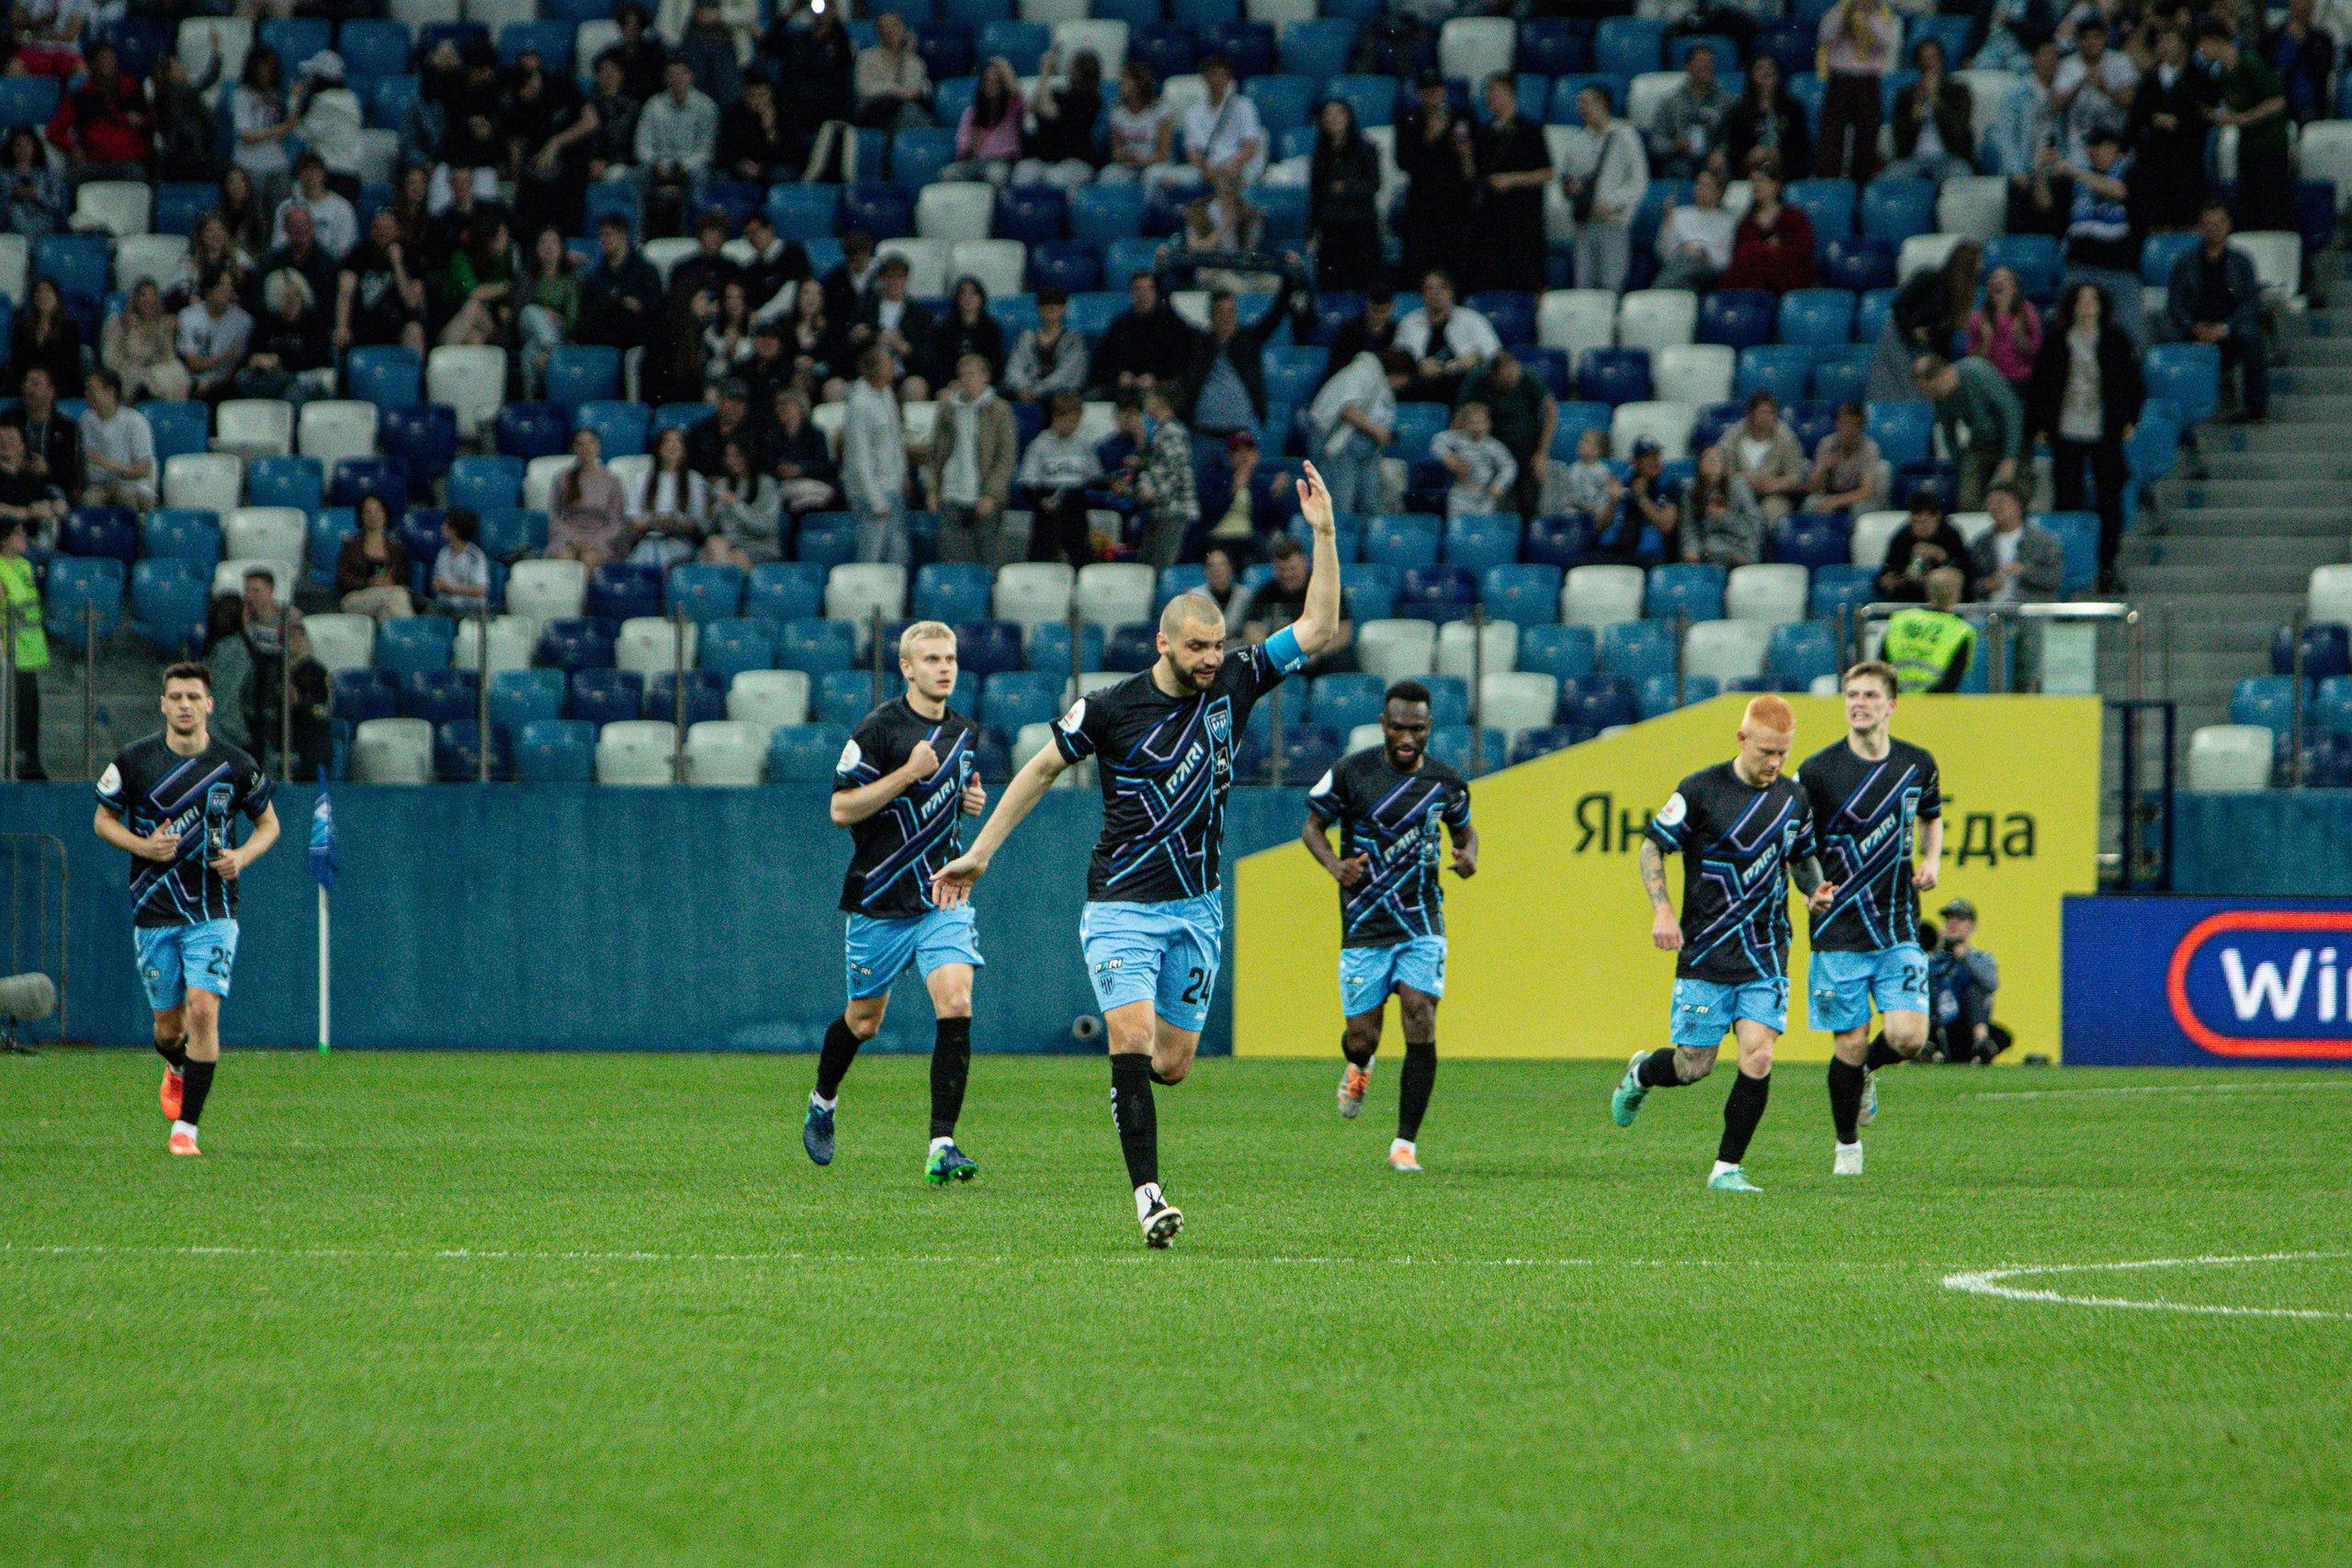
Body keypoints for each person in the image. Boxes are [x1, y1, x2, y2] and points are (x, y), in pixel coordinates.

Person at [933, 463, 1344, 1247]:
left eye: (1218, 646)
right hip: (1121, 905)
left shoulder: (1237, 681)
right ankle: (1149, 1198)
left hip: (1197, 908)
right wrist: (980, 852)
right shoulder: (1113, 706)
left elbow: (1320, 627)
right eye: (1196, 647)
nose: (1210, 659)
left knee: (1172, 1062)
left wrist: (1323, 533)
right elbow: (1041, 767)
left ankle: (1130, 1097)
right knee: (1130, 1042)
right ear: (1163, 641)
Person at [1613, 694, 1835, 1193]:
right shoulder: (1700, 791)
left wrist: (1814, 890)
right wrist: (1663, 909)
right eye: (1765, 753)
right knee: (1694, 1065)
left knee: (1758, 1055)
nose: (1775, 763)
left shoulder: (1793, 799)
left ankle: (1726, 1168)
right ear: (1742, 739)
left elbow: (1801, 857)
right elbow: (1653, 847)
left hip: (1765, 951)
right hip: (1706, 952)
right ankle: (1642, 1076)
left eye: (1783, 753)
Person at [806, 621, 989, 1183]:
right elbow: (841, 809)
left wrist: (967, 800)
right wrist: (907, 773)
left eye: (951, 657)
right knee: (863, 1022)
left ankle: (942, 1144)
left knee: (956, 1004)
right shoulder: (879, 729)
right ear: (907, 668)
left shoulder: (964, 730)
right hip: (880, 901)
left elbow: (945, 796)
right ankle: (823, 1101)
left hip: (941, 895)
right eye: (931, 658)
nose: (944, 667)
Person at [92, 661, 283, 1157]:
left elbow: (269, 825)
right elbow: (102, 819)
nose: (184, 705)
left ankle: (187, 1130)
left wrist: (242, 855)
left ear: (209, 704)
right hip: (155, 908)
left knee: (203, 1009)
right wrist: (143, 845)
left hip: (213, 909)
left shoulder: (236, 766)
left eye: (193, 697)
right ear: (162, 704)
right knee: (168, 1028)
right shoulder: (134, 761)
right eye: (175, 696)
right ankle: (175, 1065)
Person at [1303, 681, 1476, 1173]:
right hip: (1365, 922)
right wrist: (1336, 866)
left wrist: (1469, 857)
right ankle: (1359, 1067)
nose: (1406, 737)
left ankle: (1405, 1144)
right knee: (1363, 1036)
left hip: (1422, 919)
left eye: (1416, 729)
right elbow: (1312, 828)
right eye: (1397, 727)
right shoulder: (1351, 774)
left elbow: (1465, 830)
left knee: (1420, 1013)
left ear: (1428, 729)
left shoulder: (1445, 783)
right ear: (1383, 725)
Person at [1798, 660, 1944, 1178]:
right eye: (1851, 695)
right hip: (1838, 927)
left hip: (1898, 923)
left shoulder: (1917, 764)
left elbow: (1931, 815)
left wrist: (1931, 860)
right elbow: (1796, 841)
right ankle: (1847, 1148)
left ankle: (1866, 1074)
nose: (1858, 703)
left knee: (1909, 1036)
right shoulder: (1816, 772)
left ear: (1891, 704)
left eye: (1868, 695)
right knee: (1850, 1041)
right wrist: (1809, 886)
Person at [2029, 280, 2144, 590]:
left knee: (2110, 499)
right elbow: (2039, 386)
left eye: (2093, 298)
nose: (2087, 304)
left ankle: (2107, 564)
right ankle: (2067, 564)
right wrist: (2040, 424)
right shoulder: (2056, 342)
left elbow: (2134, 383)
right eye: (2081, 299)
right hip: (2067, 431)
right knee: (2067, 498)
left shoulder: (2117, 340)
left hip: (2105, 431)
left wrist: (2131, 418)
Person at [2167, 201, 2267, 423]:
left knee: (2251, 335)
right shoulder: (2185, 263)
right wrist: (2194, 327)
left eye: (2220, 223)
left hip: (2231, 329)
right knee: (2167, 339)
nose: (2215, 228)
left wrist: (2224, 328)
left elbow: (2251, 304)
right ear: (2201, 228)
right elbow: (2174, 305)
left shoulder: (2241, 262)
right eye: (2209, 224)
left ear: (2229, 225)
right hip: (2195, 328)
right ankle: (2175, 414)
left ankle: (2256, 407)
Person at [2047, 130, 2143, 342]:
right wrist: (2041, 171)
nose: (2093, 151)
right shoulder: (2076, 181)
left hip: (2120, 273)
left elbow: (2119, 191)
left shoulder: (2132, 173)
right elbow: (2045, 205)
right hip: (2079, 269)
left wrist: (2075, 173)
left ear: (2115, 149)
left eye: (2100, 145)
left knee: (2130, 339)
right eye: (2091, 146)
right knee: (2065, 336)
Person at [927, 354, 1019, 567]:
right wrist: (932, 489)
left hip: (984, 495)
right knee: (950, 559)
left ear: (985, 376)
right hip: (951, 492)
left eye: (971, 374)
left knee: (986, 559)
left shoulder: (1000, 411)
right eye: (962, 375)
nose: (966, 380)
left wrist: (992, 494)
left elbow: (1006, 458)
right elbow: (935, 455)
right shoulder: (947, 410)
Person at [1559, 84, 1647, 294]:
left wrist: (1614, 202)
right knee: (1583, 285)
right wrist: (1571, 189)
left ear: (1603, 104)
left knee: (1611, 285)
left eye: (1586, 103)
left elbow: (1639, 180)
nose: (1582, 108)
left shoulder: (1625, 135)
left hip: (1613, 222)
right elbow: (1566, 181)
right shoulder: (1577, 142)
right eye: (1580, 103)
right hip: (1585, 222)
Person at [1394, 69, 1476, 288]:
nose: (1433, 94)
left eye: (1437, 89)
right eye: (1427, 90)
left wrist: (1466, 154)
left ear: (1444, 91)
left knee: (1457, 267)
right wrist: (1430, 136)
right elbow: (1403, 162)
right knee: (1420, 267)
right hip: (1423, 207)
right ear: (1420, 93)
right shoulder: (1409, 120)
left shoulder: (1463, 117)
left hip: (1456, 205)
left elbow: (1475, 164)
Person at [2126, 25, 2212, 233]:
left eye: (2170, 41)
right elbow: (2137, 116)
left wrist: (2179, 123)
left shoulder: (2199, 79)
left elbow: (2205, 115)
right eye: (2162, 41)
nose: (2164, 46)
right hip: (2155, 157)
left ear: (2183, 46)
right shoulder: (2151, 78)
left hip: (2186, 157)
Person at [1306, 345, 1409, 517]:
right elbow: (1348, 409)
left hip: (1365, 448)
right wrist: (1378, 432)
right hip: (1337, 447)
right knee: (1341, 507)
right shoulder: (1362, 371)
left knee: (1371, 504)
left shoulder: (1380, 382)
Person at [1871, 241, 1978, 400]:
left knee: (1924, 391)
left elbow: (1945, 336)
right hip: (1900, 336)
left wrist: (1941, 365)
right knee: (1895, 389)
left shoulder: (1963, 297)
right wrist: (1912, 331)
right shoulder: (1928, 277)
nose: (1981, 267)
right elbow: (1898, 306)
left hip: (1926, 347)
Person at [1914, 352, 2024, 509]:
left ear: (1942, 375)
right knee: (1967, 500)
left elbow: (2012, 412)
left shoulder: (1977, 372)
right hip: (1980, 443)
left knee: (2010, 497)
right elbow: (1949, 433)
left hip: (2011, 438)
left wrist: (2010, 459)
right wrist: (1960, 467)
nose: (1932, 396)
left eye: (1933, 390)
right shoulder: (1940, 398)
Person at [1476, 73, 1552, 293]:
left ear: (1510, 93)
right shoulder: (1485, 132)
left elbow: (1546, 173)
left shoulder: (1530, 129)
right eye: (1487, 92)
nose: (1489, 97)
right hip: (1492, 219)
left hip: (1524, 220)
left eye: (1495, 91)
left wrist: (1513, 180)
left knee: (1528, 277)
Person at [1459, 349, 1556, 519]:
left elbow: (1551, 411)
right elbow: (1461, 414)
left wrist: (1542, 453)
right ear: (1493, 376)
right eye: (1506, 379)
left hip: (1525, 440)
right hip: (1489, 442)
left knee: (1528, 497)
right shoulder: (1477, 379)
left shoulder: (1530, 377)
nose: (1513, 380)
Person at [1114, 383, 1197, 569]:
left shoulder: (1172, 432)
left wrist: (1155, 494)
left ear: (1160, 401)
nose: (1146, 403)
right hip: (1160, 511)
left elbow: (1178, 472)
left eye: (1149, 398)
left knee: (1162, 568)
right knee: (1148, 566)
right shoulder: (1159, 431)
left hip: (1174, 512)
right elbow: (1158, 469)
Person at [1015, 392, 1103, 569]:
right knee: (1041, 564)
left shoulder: (1084, 445)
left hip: (1076, 512)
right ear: (1056, 417)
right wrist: (1041, 501)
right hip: (1049, 514)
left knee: (1082, 562)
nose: (1074, 426)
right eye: (1070, 421)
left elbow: (1096, 479)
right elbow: (1027, 484)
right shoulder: (1039, 445)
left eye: (1076, 421)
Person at [44, 40, 151, 186]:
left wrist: (143, 121)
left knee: (138, 175)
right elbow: (54, 131)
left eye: (111, 59)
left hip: (129, 161)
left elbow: (154, 121)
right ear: (91, 65)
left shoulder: (133, 89)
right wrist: (72, 147)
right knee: (70, 180)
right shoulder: (80, 96)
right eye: (103, 59)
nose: (108, 64)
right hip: (94, 162)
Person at [1815, 0, 1896, 184]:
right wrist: (1845, 14)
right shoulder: (1837, 12)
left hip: (1867, 80)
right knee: (1831, 136)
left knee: (1867, 138)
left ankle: (1862, 185)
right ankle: (1829, 184)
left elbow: (1886, 41)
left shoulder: (1880, 14)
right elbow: (1825, 36)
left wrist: (1869, 17)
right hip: (1840, 79)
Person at [636, 58, 718, 237]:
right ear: (665, 79)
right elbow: (642, 146)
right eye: (672, 75)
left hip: (690, 167)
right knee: (637, 177)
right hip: (659, 167)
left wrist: (685, 166)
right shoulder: (653, 105)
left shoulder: (706, 106)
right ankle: (639, 238)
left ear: (691, 76)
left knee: (700, 177)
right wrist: (656, 163)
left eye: (682, 74)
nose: (677, 79)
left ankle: (695, 236)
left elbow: (706, 151)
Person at [842, 346, 910, 564]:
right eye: (889, 365)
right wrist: (875, 500)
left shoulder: (887, 394)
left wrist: (902, 477)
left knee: (898, 554)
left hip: (894, 487)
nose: (893, 370)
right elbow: (858, 456)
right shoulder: (858, 404)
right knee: (872, 554)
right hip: (872, 494)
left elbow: (895, 440)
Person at [1307, 97, 1382, 291]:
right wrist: (1310, 231)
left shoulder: (1366, 149)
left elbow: (1374, 184)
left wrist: (1346, 187)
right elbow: (1315, 195)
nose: (1333, 119)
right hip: (1332, 231)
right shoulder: (1320, 154)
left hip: (1360, 229)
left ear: (1348, 117)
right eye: (1328, 115)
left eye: (1338, 113)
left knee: (1363, 286)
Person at [1396, 269, 1500, 407]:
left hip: (1463, 380)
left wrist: (1476, 356)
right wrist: (1418, 365)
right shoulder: (1409, 323)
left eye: (1442, 287)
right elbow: (1397, 358)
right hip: (1423, 383)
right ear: (1423, 295)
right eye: (1429, 289)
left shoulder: (1472, 319)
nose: (1436, 293)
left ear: (1451, 291)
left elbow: (1494, 351)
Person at [1993, 41, 2065, 234]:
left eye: (2055, 56)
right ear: (2034, 58)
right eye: (2046, 55)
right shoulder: (2016, 93)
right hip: (2025, 167)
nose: (2051, 61)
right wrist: (2018, 171)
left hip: (2052, 166)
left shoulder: (2062, 94)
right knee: (2019, 190)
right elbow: (2005, 136)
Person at [1088, 270, 1192, 398]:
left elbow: (1182, 361)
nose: (1143, 294)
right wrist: (1119, 376)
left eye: (1149, 289)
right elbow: (1102, 362)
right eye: (1138, 289)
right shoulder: (1120, 325)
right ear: (1131, 293)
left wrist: (1156, 377)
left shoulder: (1172, 324)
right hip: (1123, 390)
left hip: (1160, 389)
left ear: (1156, 293)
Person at [1709, 389, 1807, 524]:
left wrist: (1776, 484)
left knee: (1773, 511)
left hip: (1774, 495)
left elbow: (1797, 475)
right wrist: (1744, 477)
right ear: (1750, 414)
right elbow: (1721, 465)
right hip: (1737, 493)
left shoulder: (1786, 437)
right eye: (1763, 413)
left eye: (1772, 413)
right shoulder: (1734, 435)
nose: (1768, 417)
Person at [1715, 161, 1814, 295]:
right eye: (1753, 181)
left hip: (1787, 283)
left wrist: (1776, 249)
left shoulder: (1795, 217)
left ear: (1776, 185)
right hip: (1753, 289)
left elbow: (1804, 248)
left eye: (1761, 180)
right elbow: (1740, 257)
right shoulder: (1747, 223)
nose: (1756, 185)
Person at [236, 269, 334, 404]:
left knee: (293, 394)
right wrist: (256, 360)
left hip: (304, 377)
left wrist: (280, 362)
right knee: (243, 378)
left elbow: (317, 358)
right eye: (287, 298)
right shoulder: (265, 322)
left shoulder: (314, 322)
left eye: (297, 296)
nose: (293, 302)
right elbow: (250, 355)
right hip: (272, 378)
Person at [1928, 897, 2005, 1062]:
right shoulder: (1935, 957)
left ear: (1972, 926)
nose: (1953, 923)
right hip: (1939, 1023)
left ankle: (1980, 1045)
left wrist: (1964, 957)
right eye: (1949, 918)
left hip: (1967, 1025)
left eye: (1960, 919)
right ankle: (1930, 1048)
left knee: (2003, 1036)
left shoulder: (1980, 958)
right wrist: (1933, 949)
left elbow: (1991, 984)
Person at [1885, 38, 1973, 182]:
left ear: (1941, 60)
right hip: (1913, 158)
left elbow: (1958, 131)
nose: (1929, 63)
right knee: (1887, 181)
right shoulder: (1905, 95)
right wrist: (1916, 110)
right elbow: (1899, 138)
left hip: (1949, 158)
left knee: (1961, 177)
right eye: (1924, 59)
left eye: (1933, 58)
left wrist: (1935, 100)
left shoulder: (1959, 92)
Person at [575, 213, 664, 355]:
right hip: (601, 341)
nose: (603, 240)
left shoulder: (645, 272)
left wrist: (637, 305)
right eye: (601, 236)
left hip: (634, 341)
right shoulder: (596, 277)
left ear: (623, 234)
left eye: (608, 235)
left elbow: (655, 306)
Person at [1015, 48, 1102, 191]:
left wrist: (1045, 72)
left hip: (1075, 162)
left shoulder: (1090, 100)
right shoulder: (1059, 94)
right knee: (1024, 172)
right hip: (1046, 160)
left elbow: (1050, 112)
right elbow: (1033, 106)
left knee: (1054, 179)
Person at [2055, 17, 2137, 165]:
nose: (2091, 43)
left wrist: (2106, 88)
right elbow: (2057, 105)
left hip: (2115, 138)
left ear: (2106, 38)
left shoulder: (2121, 61)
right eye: (2085, 38)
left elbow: (2130, 102)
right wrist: (2081, 82)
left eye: (2096, 37)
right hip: (2081, 141)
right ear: (2078, 41)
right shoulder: (2067, 65)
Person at [1970, 481, 2065, 605]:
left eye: (2000, 502)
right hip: (1992, 610)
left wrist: (2025, 571)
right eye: (1990, 504)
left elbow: (2056, 579)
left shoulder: (2044, 541)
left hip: (2032, 609)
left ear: (2017, 505)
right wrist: (1985, 585)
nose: (1994, 508)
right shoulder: (1981, 543)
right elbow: (1971, 583)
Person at [1883, 566, 1976, 691]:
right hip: (1934, 706)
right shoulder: (1961, 631)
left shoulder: (1900, 619)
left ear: (1928, 593)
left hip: (1896, 703)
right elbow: (1951, 682)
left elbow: (1881, 668)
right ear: (1958, 596)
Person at [0, 514, 45, 778]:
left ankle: (31, 761)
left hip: (30, 652)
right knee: (14, 716)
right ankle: (16, 764)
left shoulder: (25, 567)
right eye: (18, 533)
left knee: (30, 716)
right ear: (4, 540)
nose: (24, 538)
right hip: (10, 653)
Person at [627, 425, 709, 567]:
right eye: (667, 442)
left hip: (681, 544)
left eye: (677, 442)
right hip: (648, 543)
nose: (672, 446)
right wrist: (652, 522)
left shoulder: (694, 480)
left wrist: (676, 523)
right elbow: (633, 522)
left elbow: (700, 525)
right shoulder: (641, 479)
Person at [1721, 52, 1812, 179]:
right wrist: (1750, 157)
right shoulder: (1739, 113)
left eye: (1770, 68)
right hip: (1749, 176)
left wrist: (1779, 156)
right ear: (1751, 75)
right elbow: (1733, 151)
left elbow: (1802, 149)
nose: (1766, 72)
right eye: (1760, 68)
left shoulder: (1793, 110)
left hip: (1786, 176)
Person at [548, 428, 630, 568]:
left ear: (598, 447)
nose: (586, 449)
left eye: (590, 443)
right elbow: (554, 516)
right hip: (569, 538)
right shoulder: (562, 478)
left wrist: (594, 541)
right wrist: (573, 538)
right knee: (565, 558)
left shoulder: (612, 481)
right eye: (580, 444)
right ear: (574, 448)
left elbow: (616, 521)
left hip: (601, 539)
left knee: (589, 559)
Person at [1182, 53, 1264, 188]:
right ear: (1204, 78)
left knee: (1233, 177)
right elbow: (1192, 152)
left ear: (1228, 78)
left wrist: (1233, 163)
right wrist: (1206, 167)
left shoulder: (1244, 106)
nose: (1216, 80)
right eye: (1212, 74)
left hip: (1236, 165)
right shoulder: (1193, 113)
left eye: (1221, 75)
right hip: (1206, 167)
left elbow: (1250, 146)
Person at [76, 367, 155, 511]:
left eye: (92, 390)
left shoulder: (135, 421)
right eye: (87, 390)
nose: (87, 395)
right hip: (99, 486)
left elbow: (144, 470)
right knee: (89, 500)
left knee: (125, 496)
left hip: (131, 484)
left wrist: (106, 463)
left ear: (110, 391)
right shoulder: (86, 420)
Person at [1876, 487, 1972, 602]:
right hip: (1909, 602)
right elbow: (1886, 573)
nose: (1920, 527)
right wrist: (1887, 582)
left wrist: (1943, 557)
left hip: (1944, 602)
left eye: (1924, 522)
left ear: (1937, 517)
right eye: (1915, 522)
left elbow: (1968, 576)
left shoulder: (1950, 536)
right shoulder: (1903, 537)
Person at [229, 47, 295, 210]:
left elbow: (291, 125)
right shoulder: (241, 95)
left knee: (281, 213)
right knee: (253, 215)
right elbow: (246, 135)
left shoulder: (277, 95)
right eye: (262, 68)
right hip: (249, 166)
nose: (266, 74)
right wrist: (280, 129)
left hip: (277, 164)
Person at [1654, 166, 1736, 292]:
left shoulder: (1727, 220)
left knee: (1690, 264)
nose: (1700, 189)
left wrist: (1703, 253)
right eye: (1698, 184)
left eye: (1706, 186)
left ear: (1719, 191)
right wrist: (1667, 224)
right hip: (1679, 263)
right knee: (1684, 273)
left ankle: (1658, 292)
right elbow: (1662, 252)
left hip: (1708, 269)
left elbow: (1725, 260)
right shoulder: (1679, 214)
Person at [177, 266, 254, 400]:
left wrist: (212, 383)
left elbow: (233, 367)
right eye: (221, 285)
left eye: (230, 286)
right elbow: (193, 364)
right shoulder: (187, 317)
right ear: (208, 289)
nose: (227, 290)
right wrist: (223, 358)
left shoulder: (243, 321)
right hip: (192, 382)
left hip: (225, 385)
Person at [1430, 402, 1516, 519]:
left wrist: (1499, 485)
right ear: (1464, 424)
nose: (1477, 427)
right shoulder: (1457, 438)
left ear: (1489, 424)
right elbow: (1437, 442)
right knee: (1456, 525)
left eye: (1481, 423)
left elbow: (1509, 466)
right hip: (1460, 493)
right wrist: (1448, 457)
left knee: (1481, 525)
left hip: (1484, 495)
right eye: (1472, 423)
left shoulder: (1494, 446)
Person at [1003, 286, 1088, 403]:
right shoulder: (1026, 337)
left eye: (1057, 303)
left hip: (1058, 395)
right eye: (1046, 303)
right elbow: (1014, 368)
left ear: (1064, 307)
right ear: (1039, 308)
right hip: (1024, 393)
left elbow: (1068, 375)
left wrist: (1037, 391)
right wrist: (1023, 389)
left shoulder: (1073, 340)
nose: (1051, 307)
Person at [337, 493, 413, 623]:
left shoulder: (396, 547)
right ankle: (410, 633)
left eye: (378, 510)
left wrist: (390, 580)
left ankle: (393, 640)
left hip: (388, 595)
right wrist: (369, 583)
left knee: (387, 612)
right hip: (357, 598)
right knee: (397, 595)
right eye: (368, 512)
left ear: (385, 514)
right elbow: (342, 579)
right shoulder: (351, 546)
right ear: (361, 517)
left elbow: (405, 576)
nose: (374, 515)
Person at [1683, 446, 1764, 567]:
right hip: (1708, 549)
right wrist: (1691, 549)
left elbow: (1755, 525)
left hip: (1742, 545)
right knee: (1709, 547)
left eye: (1717, 458)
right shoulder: (1692, 492)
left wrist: (1724, 517)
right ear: (1699, 464)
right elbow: (1688, 528)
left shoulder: (1738, 485)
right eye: (1708, 458)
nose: (1713, 462)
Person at [5, 365, 79, 497]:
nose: (27, 387)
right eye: (26, 382)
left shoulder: (65, 427)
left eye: (35, 383)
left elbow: (70, 472)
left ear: (51, 392)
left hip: (50, 486)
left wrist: (47, 470)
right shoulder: (9, 420)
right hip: (11, 481)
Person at [1966, 265, 2042, 392]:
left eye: (2005, 279)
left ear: (2014, 289)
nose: (1999, 281)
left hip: (2022, 378)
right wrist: (1986, 341)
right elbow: (1972, 359)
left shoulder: (2027, 311)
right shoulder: (1978, 317)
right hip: (1990, 379)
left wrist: (2020, 337)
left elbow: (2035, 351)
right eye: (1995, 278)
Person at [1100, 61, 1176, 186]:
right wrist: (1124, 156)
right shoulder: (1117, 112)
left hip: (1155, 165)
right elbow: (1116, 151)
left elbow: (1164, 153)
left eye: (1126, 81)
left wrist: (1144, 161)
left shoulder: (1161, 111)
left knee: (1152, 176)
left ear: (1139, 84)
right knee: (1108, 175)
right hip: (1129, 165)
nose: (1121, 84)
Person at [853, 10, 933, 130]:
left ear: (904, 29)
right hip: (875, 113)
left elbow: (913, 91)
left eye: (894, 25)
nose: (889, 31)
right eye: (883, 27)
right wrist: (895, 90)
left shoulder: (914, 61)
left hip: (904, 111)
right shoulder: (866, 57)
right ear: (878, 32)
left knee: (911, 112)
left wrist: (905, 57)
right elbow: (863, 89)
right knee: (910, 113)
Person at [766, 388, 839, 514]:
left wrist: (801, 469)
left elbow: (826, 465)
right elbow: (769, 467)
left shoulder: (815, 435)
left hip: (812, 486)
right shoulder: (773, 438)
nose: (781, 408)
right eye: (778, 405)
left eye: (785, 404)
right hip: (785, 487)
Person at [271, 152, 356, 259]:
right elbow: (278, 245)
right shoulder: (285, 207)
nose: (310, 174)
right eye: (305, 170)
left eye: (315, 170)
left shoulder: (342, 208)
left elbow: (344, 249)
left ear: (323, 174)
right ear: (299, 174)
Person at [7, 276, 81, 397]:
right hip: (27, 383)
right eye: (38, 292)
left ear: (57, 297)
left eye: (47, 291)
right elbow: (17, 362)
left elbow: (69, 365)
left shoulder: (70, 328)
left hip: (58, 385)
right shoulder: (21, 328)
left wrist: (44, 382)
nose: (42, 295)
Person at [0, 425, 65, 548]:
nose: (5, 443)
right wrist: (28, 513)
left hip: (33, 542)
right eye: (1, 439)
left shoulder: (31, 477)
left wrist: (54, 507)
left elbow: (58, 504)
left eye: (11, 439)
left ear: (22, 446)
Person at [430, 509, 490, 620]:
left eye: (446, 524)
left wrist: (453, 588)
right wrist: (438, 585)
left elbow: (481, 590)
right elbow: (437, 581)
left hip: (468, 608)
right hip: (445, 606)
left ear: (455, 531)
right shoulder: (444, 552)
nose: (442, 527)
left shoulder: (476, 556)